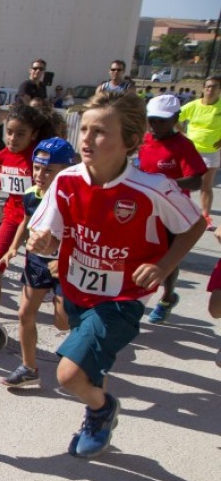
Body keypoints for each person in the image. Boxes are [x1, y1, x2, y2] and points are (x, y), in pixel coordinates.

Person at [26, 91, 205, 459]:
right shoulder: (66, 181)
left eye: (101, 132)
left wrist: (163, 266)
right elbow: (43, 232)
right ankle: (95, 416)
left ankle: (102, 409)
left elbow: (193, 225)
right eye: (85, 129)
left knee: (68, 375)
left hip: (123, 297)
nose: (88, 139)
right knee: (90, 367)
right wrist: (42, 241)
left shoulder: (152, 188)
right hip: (77, 289)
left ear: (131, 142)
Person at [0, 137, 74, 388]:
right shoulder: (31, 194)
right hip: (37, 261)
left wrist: (62, 254)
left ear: (67, 170)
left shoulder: (75, 198)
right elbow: (26, 221)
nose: (40, 174)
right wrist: (12, 248)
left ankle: (79, 350)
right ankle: (29, 368)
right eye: (37, 168)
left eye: (49, 170)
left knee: (62, 322)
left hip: (67, 265)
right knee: (24, 313)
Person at [0, 104, 54, 350]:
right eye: (9, 132)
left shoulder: (41, 157)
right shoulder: (2, 157)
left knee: (43, 276)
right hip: (13, 220)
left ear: (34, 134)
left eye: (20, 133)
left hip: (44, 223)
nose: (13, 138)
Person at [137, 93, 207, 324]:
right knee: (139, 254)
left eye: (162, 121)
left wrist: (166, 185)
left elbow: (196, 181)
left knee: (168, 259)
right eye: (152, 120)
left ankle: (167, 297)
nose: (155, 125)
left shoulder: (183, 145)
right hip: (145, 209)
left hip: (173, 212)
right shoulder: (144, 140)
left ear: (176, 118)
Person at [179, 75, 221, 231]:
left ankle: (205, 217)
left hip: (211, 151)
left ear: (219, 90)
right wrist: (181, 133)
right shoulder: (194, 105)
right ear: (203, 88)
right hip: (190, 151)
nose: (210, 90)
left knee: (206, 185)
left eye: (214, 87)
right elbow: (175, 116)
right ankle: (180, 213)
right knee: (183, 183)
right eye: (208, 86)